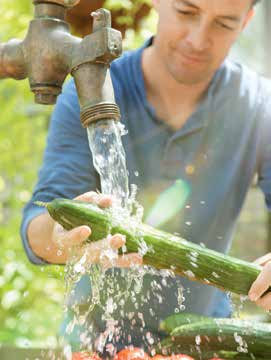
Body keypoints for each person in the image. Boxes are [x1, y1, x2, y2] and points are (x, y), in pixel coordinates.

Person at [21, 0, 271, 356]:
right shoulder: (91, 87)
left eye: (224, 23)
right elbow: (36, 224)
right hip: (92, 344)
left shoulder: (260, 105)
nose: (199, 39)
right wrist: (61, 236)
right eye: (186, 12)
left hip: (207, 343)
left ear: (246, 21)